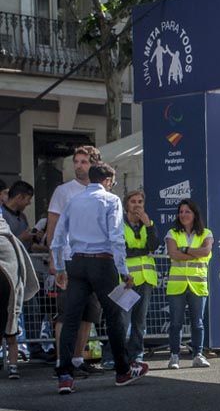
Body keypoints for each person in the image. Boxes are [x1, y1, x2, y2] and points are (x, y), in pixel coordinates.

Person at [50, 163, 147, 394]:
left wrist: (61, 267)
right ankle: (123, 371)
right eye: (112, 181)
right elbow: (116, 237)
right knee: (114, 316)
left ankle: (64, 375)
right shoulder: (111, 200)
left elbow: (58, 236)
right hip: (102, 262)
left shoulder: (74, 200)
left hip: (76, 262)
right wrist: (123, 271)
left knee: (71, 318)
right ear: (107, 180)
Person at [47, 145, 103, 374]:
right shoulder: (63, 191)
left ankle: (79, 360)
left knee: (89, 313)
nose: (79, 166)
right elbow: (52, 226)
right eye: (76, 161)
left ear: (94, 164)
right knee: (68, 313)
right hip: (69, 259)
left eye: (84, 162)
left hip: (95, 258)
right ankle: (63, 361)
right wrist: (54, 259)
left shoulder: (100, 191)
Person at [165, 199, 213, 370]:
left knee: (197, 322)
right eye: (181, 212)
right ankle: (174, 356)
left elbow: (206, 251)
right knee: (176, 323)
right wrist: (194, 253)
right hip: (177, 286)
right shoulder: (172, 233)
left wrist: (184, 250)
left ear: (194, 214)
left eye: (187, 212)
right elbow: (173, 254)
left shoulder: (206, 233)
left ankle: (198, 355)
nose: (183, 215)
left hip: (198, 285)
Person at [122, 191, 159, 367]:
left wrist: (148, 225)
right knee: (122, 321)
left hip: (145, 279)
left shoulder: (148, 224)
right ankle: (114, 356)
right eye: (133, 201)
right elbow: (124, 250)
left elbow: (154, 246)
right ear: (126, 205)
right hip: (125, 280)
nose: (137, 205)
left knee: (139, 322)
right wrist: (144, 251)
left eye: (140, 202)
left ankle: (136, 355)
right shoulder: (118, 223)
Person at [1, 214, 39, 379]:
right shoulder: (7, 237)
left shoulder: (6, 238)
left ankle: (14, 366)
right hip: (8, 292)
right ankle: (13, 367)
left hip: (8, 293)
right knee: (11, 333)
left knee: (11, 333)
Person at [2, 181, 36, 245]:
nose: (29, 203)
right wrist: (21, 238)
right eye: (28, 199)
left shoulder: (22, 216)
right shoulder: (2, 215)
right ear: (19, 197)